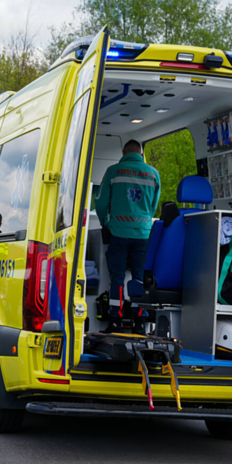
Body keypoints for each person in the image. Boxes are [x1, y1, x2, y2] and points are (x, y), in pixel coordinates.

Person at [95, 139, 161, 332]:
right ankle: (140, 321)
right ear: (141, 154)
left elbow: (100, 202)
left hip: (118, 232)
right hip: (143, 234)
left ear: (123, 153)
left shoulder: (113, 171)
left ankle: (115, 320)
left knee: (116, 277)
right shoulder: (153, 174)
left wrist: (104, 222)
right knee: (139, 276)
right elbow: (153, 205)